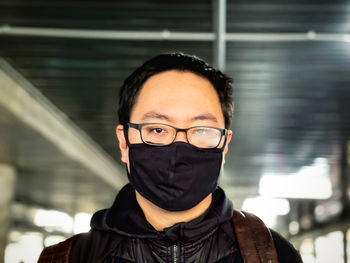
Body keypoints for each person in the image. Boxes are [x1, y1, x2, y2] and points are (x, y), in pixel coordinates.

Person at [38, 53, 302, 262]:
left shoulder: (273, 254)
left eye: (201, 130)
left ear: (224, 146)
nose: (179, 146)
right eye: (157, 129)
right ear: (124, 142)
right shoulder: (67, 258)